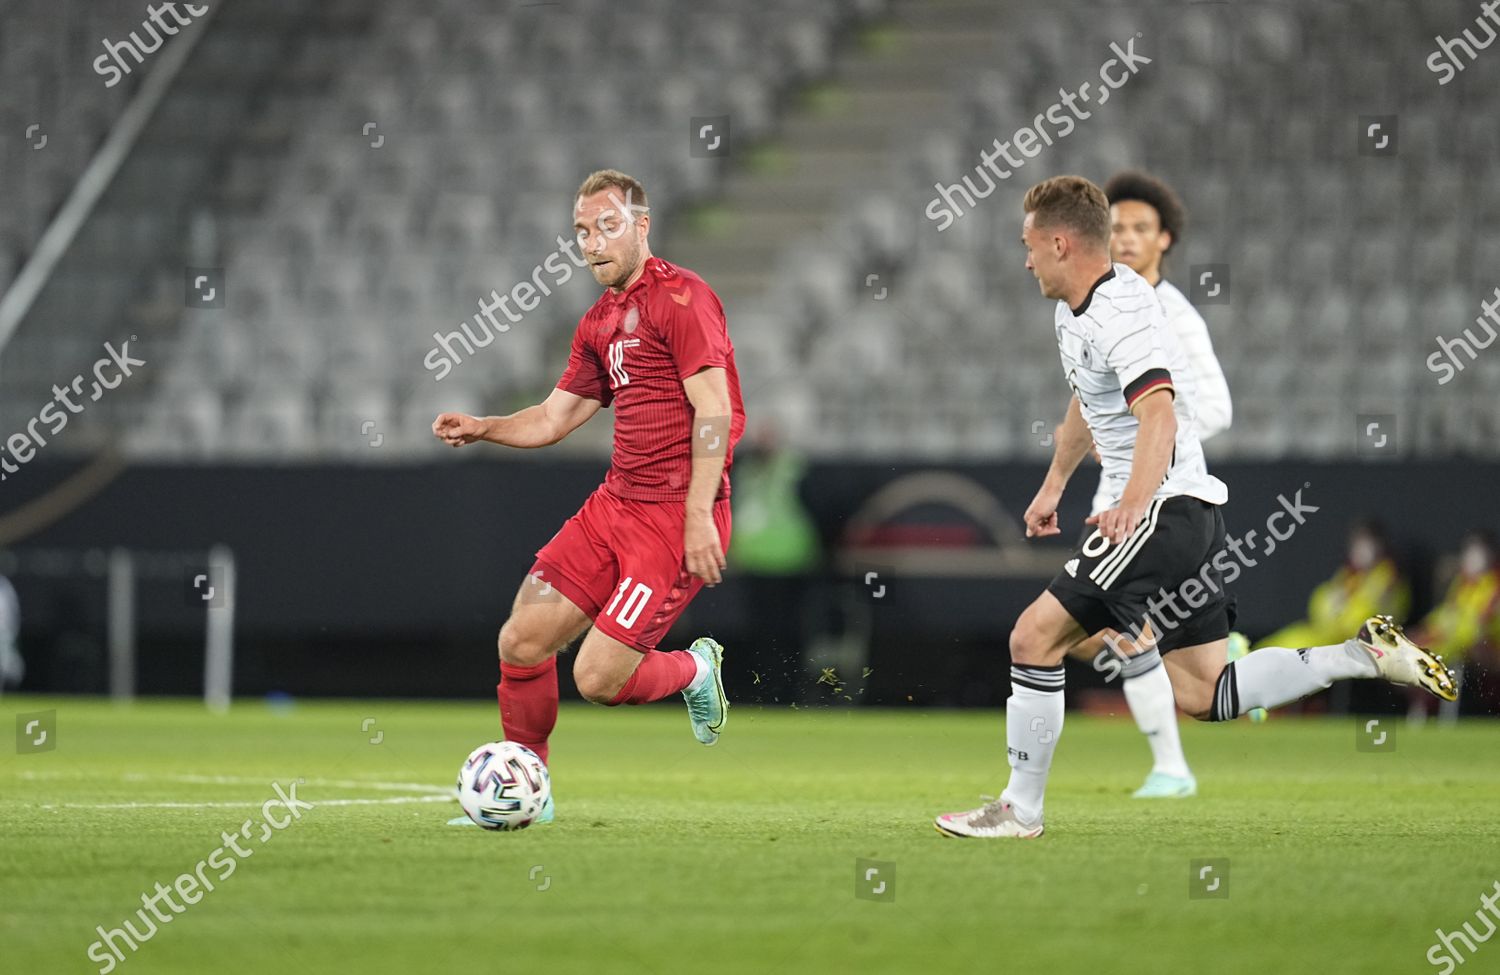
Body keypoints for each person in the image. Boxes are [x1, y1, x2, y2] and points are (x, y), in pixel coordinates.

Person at [934, 175, 1456, 839]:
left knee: (1032, 637)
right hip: (1187, 515)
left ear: (1061, 242)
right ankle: (1359, 657)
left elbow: (1160, 415)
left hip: (1161, 512)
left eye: (1029, 243)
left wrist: (1130, 503)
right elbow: (1085, 401)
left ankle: (1019, 809)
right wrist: (1053, 484)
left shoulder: (1123, 310)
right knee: (1205, 693)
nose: (1025, 257)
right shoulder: (1076, 311)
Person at [433, 169, 746, 826]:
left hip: (672, 517)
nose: (592, 242)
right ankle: (531, 793)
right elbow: (554, 417)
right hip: (615, 506)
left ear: (642, 223)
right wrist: (486, 427)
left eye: (606, 225)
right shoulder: (600, 321)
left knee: (597, 680)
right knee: (521, 638)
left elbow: (715, 410)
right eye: (581, 231)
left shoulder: (682, 299)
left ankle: (693, 669)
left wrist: (696, 512)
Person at [1063, 170, 1233, 799]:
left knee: (1071, 629)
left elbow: (1216, 408)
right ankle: (1179, 745)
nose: (1127, 239)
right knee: (1099, 636)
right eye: (1117, 228)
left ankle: (1172, 762)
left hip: (1156, 498)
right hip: (1115, 495)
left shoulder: (1175, 317)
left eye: (1140, 228)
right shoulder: (1107, 304)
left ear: (1165, 239)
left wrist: (1159, 432)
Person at [1255, 520, 1411, 652]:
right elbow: (1321, 606)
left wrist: (1338, 610)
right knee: (1269, 647)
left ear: (1379, 546)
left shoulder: (1388, 577)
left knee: (1293, 652)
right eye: (1357, 544)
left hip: (1353, 645)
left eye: (1366, 545)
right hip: (1327, 635)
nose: (1360, 551)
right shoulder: (1349, 575)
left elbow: (1366, 622)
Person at [1406, 531, 1500, 723]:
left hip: (1486, 647)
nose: (1473, 559)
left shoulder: (1495, 584)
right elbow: (1447, 614)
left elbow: (1481, 625)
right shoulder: (1463, 584)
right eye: (1469, 553)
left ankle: (1438, 712)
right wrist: (1426, 631)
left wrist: (1443, 636)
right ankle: (1423, 708)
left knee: (1437, 656)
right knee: (1415, 649)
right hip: (1456, 642)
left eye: (1478, 553)